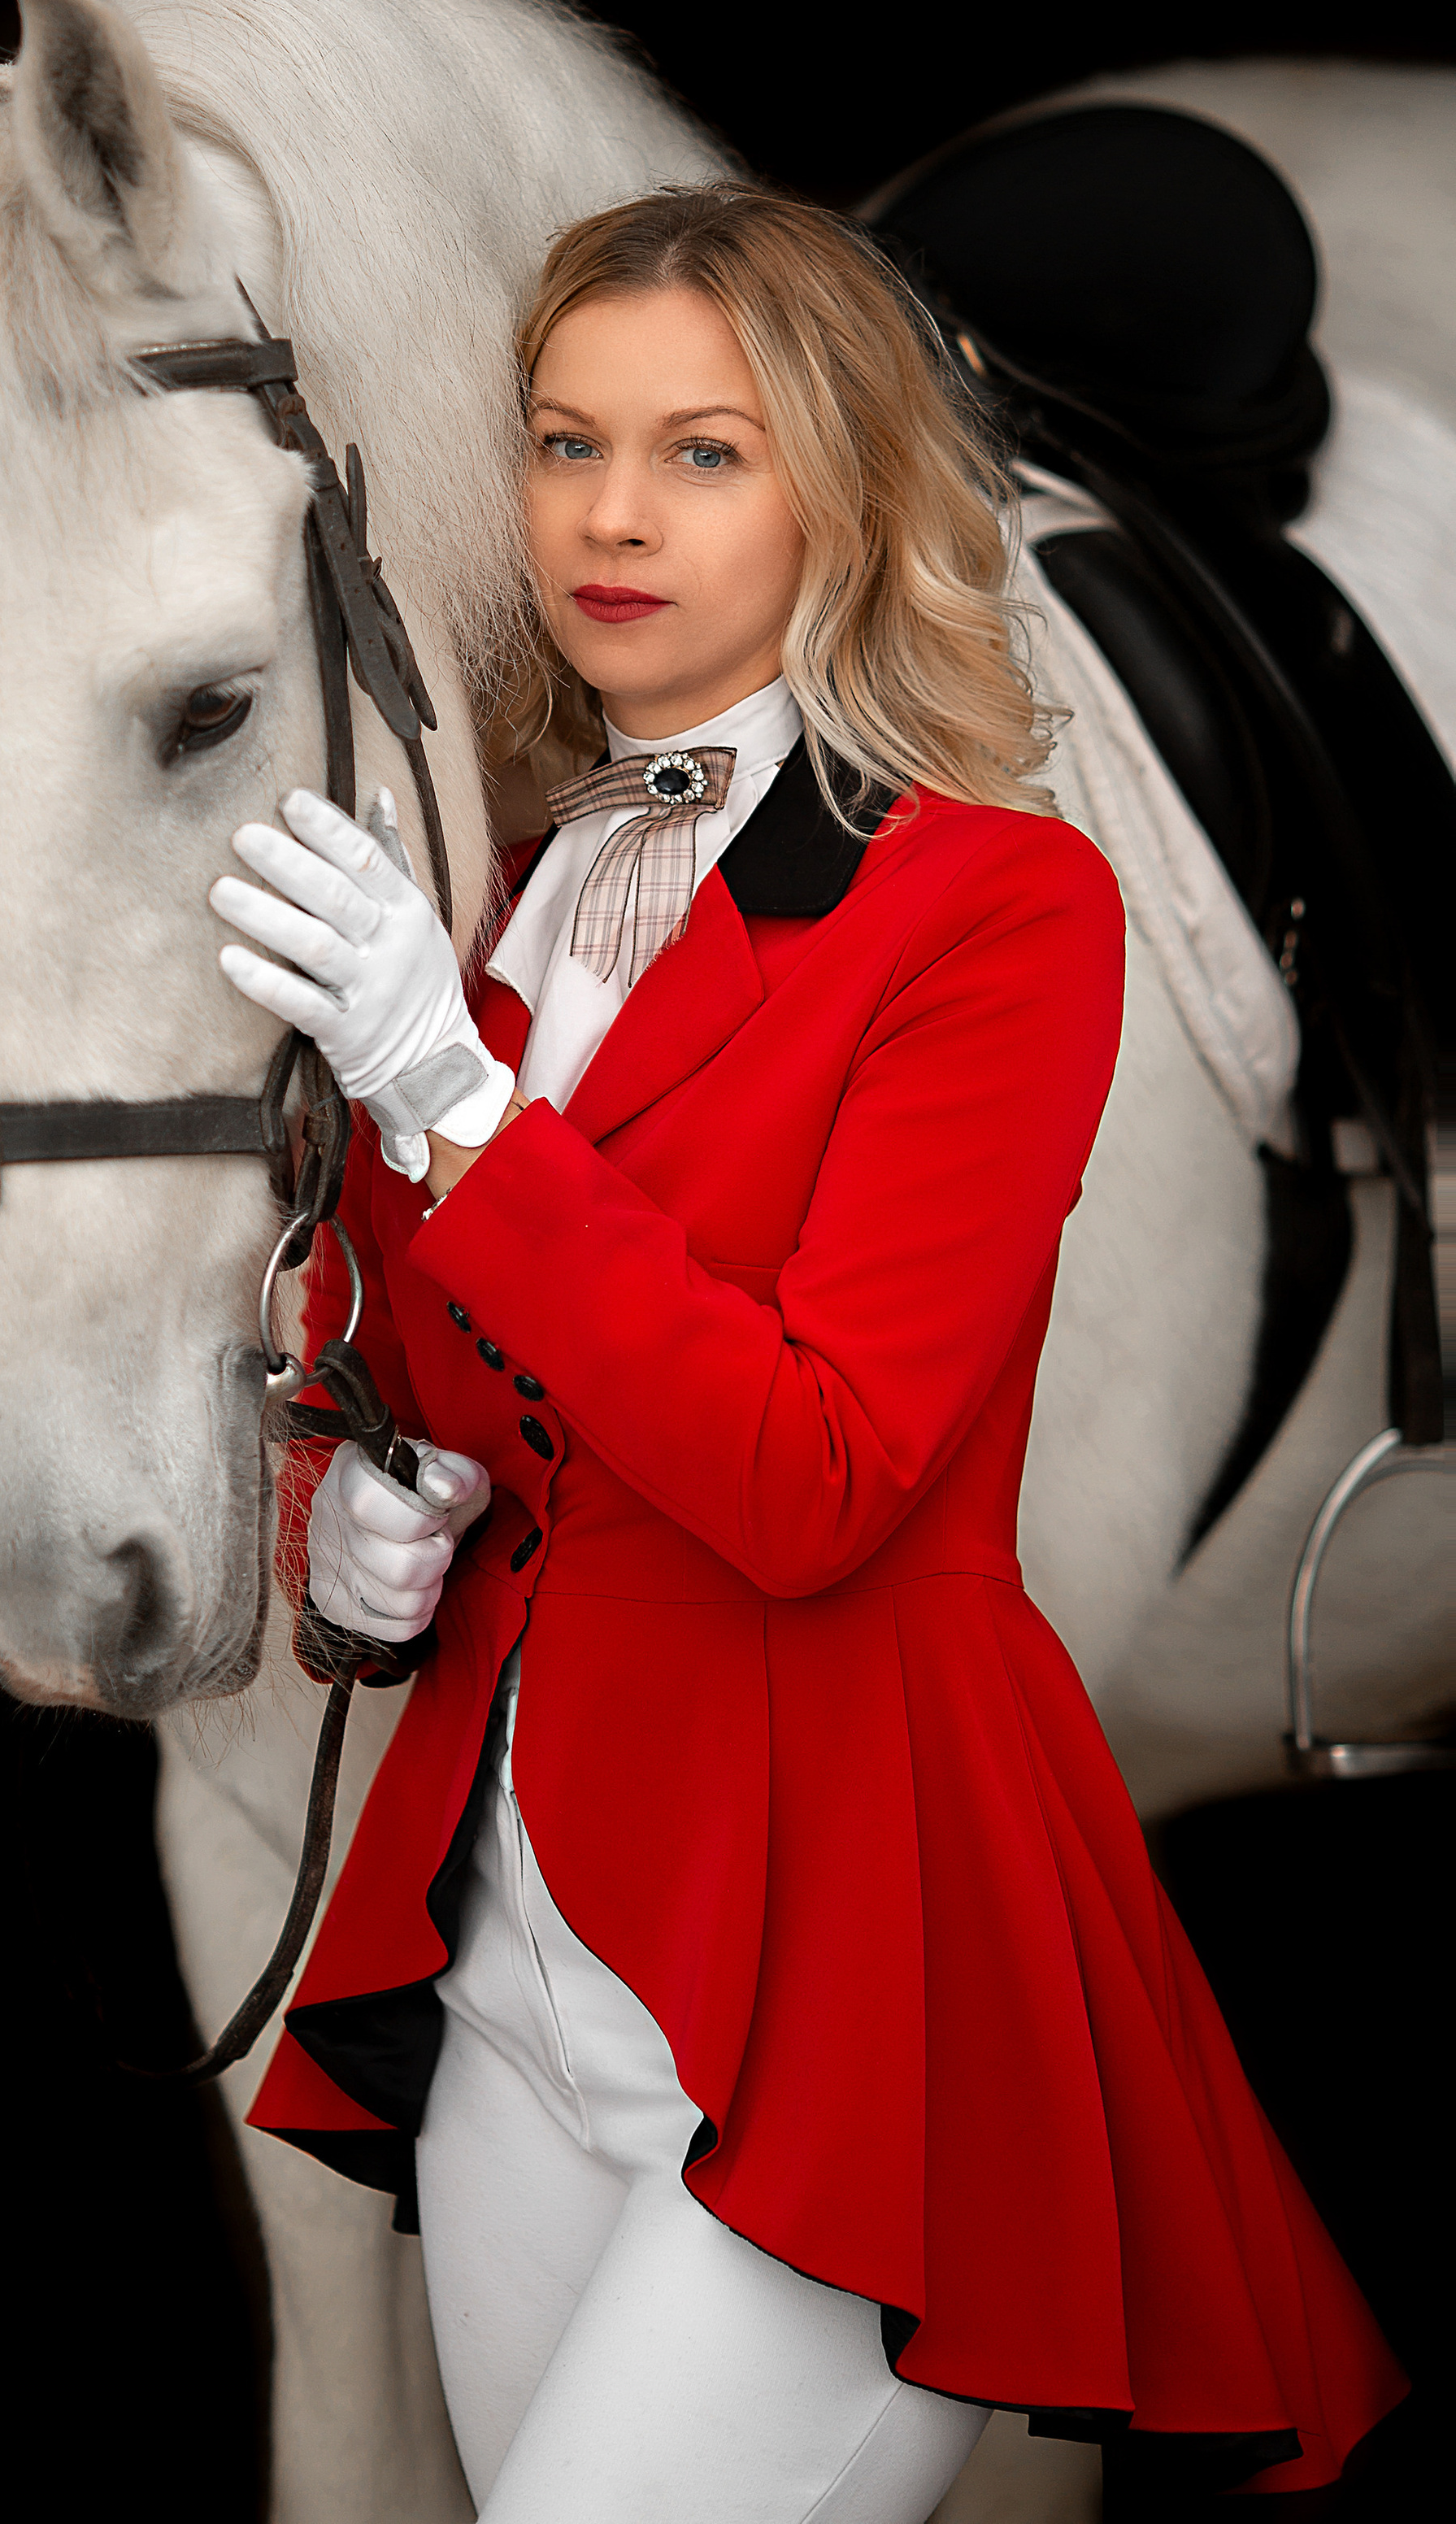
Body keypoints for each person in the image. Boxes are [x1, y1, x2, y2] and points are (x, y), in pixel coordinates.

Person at [209, 186, 1403, 2520]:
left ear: (845, 487)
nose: (612, 514)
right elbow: (449, 1382)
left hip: (854, 1969)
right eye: (564, 443)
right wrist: (351, 1532)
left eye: (705, 452)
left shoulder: (997, 906)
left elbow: (814, 1476)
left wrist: (450, 1100)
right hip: (519, 1956)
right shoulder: (503, 885)